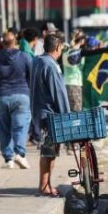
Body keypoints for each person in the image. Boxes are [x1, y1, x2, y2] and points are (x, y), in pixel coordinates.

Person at [0, 30, 33, 169]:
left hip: (1, 97)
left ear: (2, 44)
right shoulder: (25, 57)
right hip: (22, 96)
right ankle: (20, 154)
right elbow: (32, 78)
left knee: (4, 129)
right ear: (15, 42)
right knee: (20, 126)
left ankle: (8, 160)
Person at [31, 33, 69, 196]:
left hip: (39, 111)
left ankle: (46, 184)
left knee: (49, 152)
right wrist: (66, 115)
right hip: (49, 115)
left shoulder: (38, 61)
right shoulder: (51, 65)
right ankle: (44, 186)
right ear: (58, 47)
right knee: (49, 153)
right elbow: (58, 93)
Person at [63, 30, 86, 112]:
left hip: (66, 83)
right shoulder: (79, 53)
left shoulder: (66, 51)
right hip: (75, 84)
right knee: (77, 112)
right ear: (82, 40)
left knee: (70, 111)